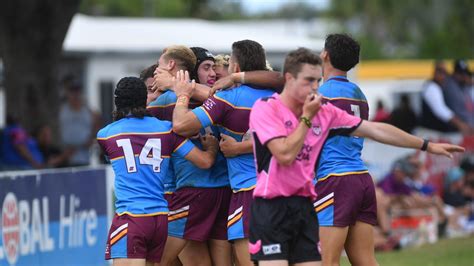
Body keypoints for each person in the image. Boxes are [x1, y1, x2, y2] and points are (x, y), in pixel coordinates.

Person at [248, 47, 464, 266]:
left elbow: (375, 130)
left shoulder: (324, 111)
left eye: (316, 80)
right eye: (308, 81)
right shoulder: (267, 109)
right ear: (289, 78)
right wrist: (306, 119)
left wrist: (427, 145)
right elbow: (284, 154)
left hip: (305, 206)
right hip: (271, 207)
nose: (315, 88)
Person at [171, 40, 274, 266]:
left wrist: (181, 93)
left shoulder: (228, 98)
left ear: (235, 68)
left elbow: (180, 125)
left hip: (248, 191)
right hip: (282, 190)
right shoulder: (281, 95)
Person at [97, 77, 218, 266]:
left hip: (131, 217)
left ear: (117, 101)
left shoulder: (106, 134)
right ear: (145, 99)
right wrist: (212, 147)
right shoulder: (167, 129)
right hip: (160, 219)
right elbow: (205, 161)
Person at [155, 46, 232, 266]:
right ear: (192, 71)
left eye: (213, 69)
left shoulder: (213, 101)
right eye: (206, 68)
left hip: (206, 189)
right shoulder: (170, 100)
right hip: (194, 188)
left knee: (161, 259)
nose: (213, 74)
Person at [420, 61, 472, 135]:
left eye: (445, 73)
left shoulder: (444, 87)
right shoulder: (431, 87)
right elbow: (440, 110)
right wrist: (461, 124)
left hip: (438, 133)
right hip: (430, 133)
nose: (443, 76)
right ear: (435, 73)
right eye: (440, 72)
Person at [59, 83, 101, 166]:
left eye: (77, 91)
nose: (75, 95)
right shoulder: (62, 110)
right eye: (72, 91)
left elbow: (98, 122)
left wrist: (91, 139)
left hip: (84, 156)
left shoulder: (88, 110)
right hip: (66, 156)